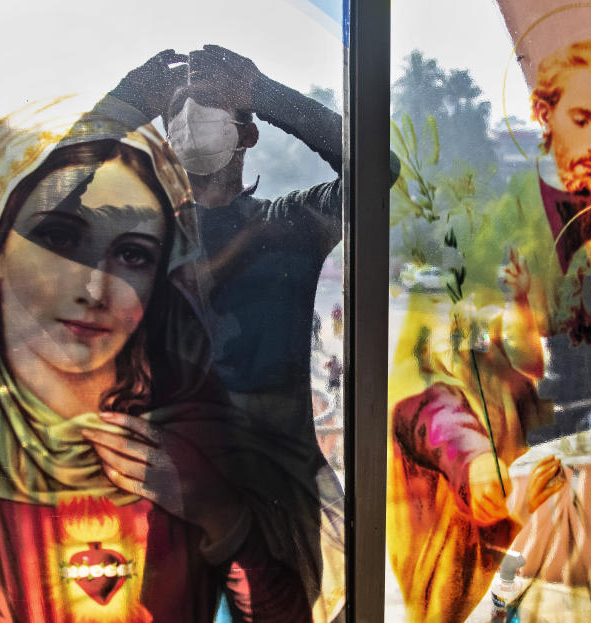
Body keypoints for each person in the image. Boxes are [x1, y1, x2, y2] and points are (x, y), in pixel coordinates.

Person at [0, 94, 334, 622]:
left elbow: (373, 169)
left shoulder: (184, 454)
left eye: (133, 255)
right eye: (61, 239)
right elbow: (55, 174)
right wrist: (141, 90)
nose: (95, 285)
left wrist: (262, 91)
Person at [387, 38, 591, 622]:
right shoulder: (492, 217)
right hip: (498, 492)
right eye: (580, 119)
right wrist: (473, 457)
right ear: (547, 117)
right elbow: (427, 371)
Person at [109, 48, 348, 622]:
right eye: (178, 107)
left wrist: (262, 90)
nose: (193, 112)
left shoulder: (292, 221)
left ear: (249, 135)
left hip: (278, 473)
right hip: (179, 477)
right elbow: (45, 195)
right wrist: (128, 100)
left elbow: (377, 169)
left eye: (213, 102)